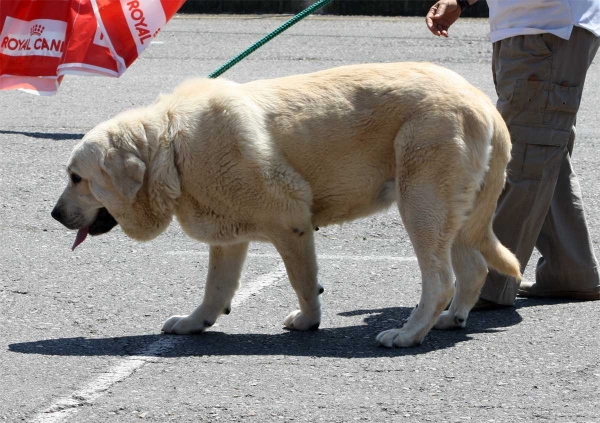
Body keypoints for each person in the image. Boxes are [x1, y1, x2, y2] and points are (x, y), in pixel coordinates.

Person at [426, 0, 600, 309]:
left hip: (545, 26)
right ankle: (570, 270)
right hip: (539, 25)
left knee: (523, 155)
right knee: (542, 148)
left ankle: (485, 281)